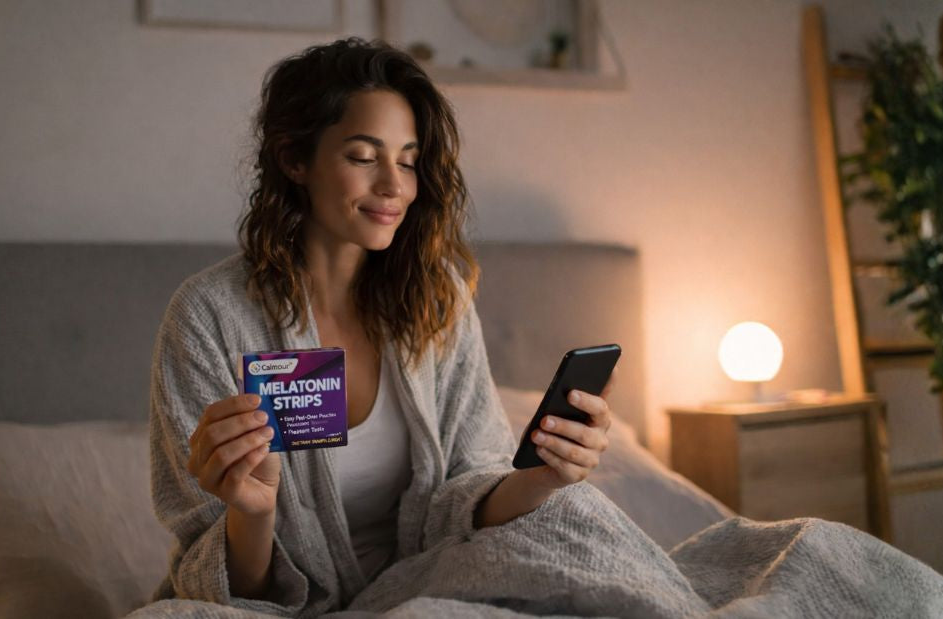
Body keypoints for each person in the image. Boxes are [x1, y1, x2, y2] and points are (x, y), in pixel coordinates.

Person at [145, 38, 624, 616]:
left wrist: (545, 477)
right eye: (363, 157)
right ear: (295, 159)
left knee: (576, 509)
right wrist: (252, 511)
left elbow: (471, 488)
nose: (394, 187)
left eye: (407, 160)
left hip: (424, 590)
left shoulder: (436, 296)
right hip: (275, 608)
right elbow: (223, 588)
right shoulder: (209, 316)